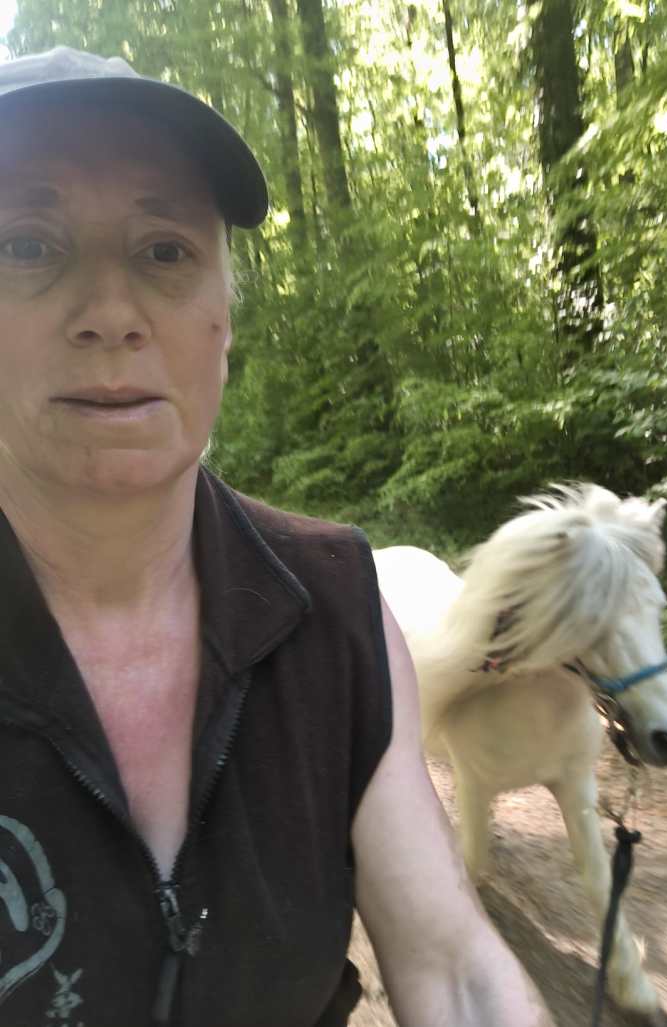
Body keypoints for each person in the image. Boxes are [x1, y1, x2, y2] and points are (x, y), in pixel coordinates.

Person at [0, 47, 556, 1027]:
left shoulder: (331, 606)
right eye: (28, 245)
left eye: (163, 250)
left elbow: (454, 968)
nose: (111, 314)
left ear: (224, 317)